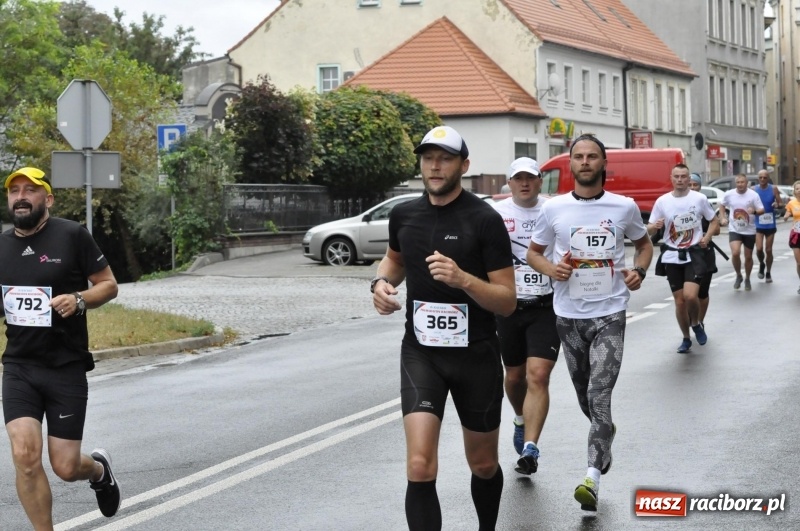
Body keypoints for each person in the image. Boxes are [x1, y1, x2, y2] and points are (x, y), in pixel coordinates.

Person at [371, 126, 516, 530]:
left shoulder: (485, 220)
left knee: (483, 463)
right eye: (428, 158)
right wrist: (380, 283)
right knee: (419, 464)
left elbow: (507, 300)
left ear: (463, 166)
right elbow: (394, 261)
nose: (435, 166)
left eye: (445, 158)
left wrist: (463, 279)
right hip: (422, 354)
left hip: (476, 355)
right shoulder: (404, 215)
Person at [526, 134, 653, 512]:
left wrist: (639, 271)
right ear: (570, 163)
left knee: (599, 394)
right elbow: (534, 254)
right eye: (578, 156)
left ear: (603, 163)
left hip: (610, 313)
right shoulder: (553, 208)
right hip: (568, 317)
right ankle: (604, 429)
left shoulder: (624, 206)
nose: (585, 162)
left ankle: (591, 478)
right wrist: (553, 269)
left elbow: (644, 245)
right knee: (585, 396)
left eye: (592, 156)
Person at [1, 167, 121, 529]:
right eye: (14, 191)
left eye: (30, 190)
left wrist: (79, 299)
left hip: (65, 366)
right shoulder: (1, 246)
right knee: (24, 456)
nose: (21, 197)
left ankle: (98, 471)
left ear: (48, 199)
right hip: (19, 366)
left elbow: (109, 285)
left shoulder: (71, 235)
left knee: (66, 467)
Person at [491, 157, 561, 475]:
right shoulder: (496, 214)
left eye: (530, 178)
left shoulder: (553, 209)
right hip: (508, 305)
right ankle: (520, 418)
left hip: (546, 305)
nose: (524, 183)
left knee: (539, 375)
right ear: (509, 183)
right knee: (515, 376)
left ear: (539, 181)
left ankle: (531, 448)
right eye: (518, 178)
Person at [646, 165, 720, 353]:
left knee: (690, 296)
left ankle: (695, 323)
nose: (680, 180)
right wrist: (655, 226)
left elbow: (714, 221)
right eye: (677, 176)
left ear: (689, 179)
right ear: (671, 178)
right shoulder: (662, 201)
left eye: (683, 176)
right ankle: (686, 338)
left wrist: (706, 237)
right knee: (679, 302)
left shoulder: (699, 199)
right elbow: (649, 228)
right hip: (672, 255)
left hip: (693, 254)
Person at [719, 174, 765, 290]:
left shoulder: (753, 195)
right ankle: (738, 275)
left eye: (742, 182)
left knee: (748, 256)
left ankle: (747, 278)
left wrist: (754, 211)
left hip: (749, 230)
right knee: (735, 253)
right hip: (735, 229)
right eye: (738, 182)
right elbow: (722, 205)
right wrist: (722, 217)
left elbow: (762, 210)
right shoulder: (729, 194)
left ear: (747, 183)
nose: (740, 184)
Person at [688, 174, 723, 326]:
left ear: (700, 187)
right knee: (689, 293)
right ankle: (691, 320)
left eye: (695, 185)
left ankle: (700, 321)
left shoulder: (704, 204)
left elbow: (717, 230)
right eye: (690, 185)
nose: (692, 188)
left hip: (704, 252)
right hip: (686, 253)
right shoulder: (678, 204)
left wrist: (706, 236)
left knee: (702, 292)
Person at [752, 169, 783, 283]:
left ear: (768, 178)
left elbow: (781, 203)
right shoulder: (753, 189)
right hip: (758, 222)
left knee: (768, 250)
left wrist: (777, 204)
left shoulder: (773, 188)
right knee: (759, 249)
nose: (762, 179)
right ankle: (761, 263)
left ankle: (768, 272)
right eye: (760, 177)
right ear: (758, 178)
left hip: (770, 223)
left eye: (765, 177)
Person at [783, 180, 800, 294]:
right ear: (794, 191)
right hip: (796, 234)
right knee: (799, 262)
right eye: (797, 189)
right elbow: (787, 212)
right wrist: (786, 216)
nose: (799, 191)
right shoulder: (791, 203)